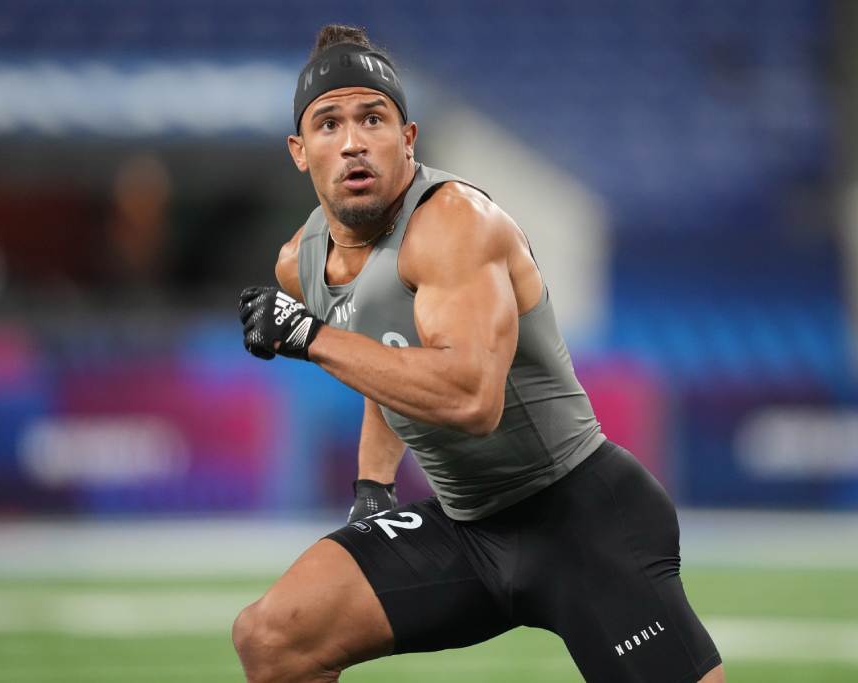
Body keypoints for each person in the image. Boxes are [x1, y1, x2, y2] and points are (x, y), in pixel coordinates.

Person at [234, 24, 724, 683]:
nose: (352, 141)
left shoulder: (455, 223)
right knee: (272, 637)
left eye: (372, 117)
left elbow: (470, 398)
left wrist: (310, 338)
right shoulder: (303, 262)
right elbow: (386, 361)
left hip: (580, 515)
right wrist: (374, 483)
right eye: (328, 124)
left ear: (407, 138)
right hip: (467, 527)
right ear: (300, 150)